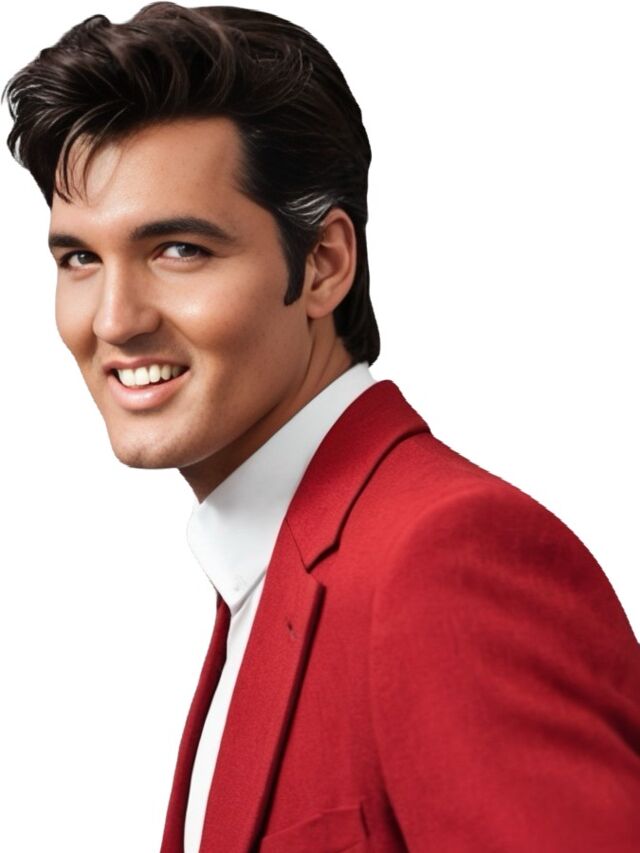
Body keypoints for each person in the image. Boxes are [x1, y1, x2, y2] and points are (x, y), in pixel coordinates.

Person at [3, 4, 639, 851]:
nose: (114, 320)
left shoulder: (441, 560)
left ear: (324, 264)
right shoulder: (266, 571)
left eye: (179, 249)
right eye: (80, 258)